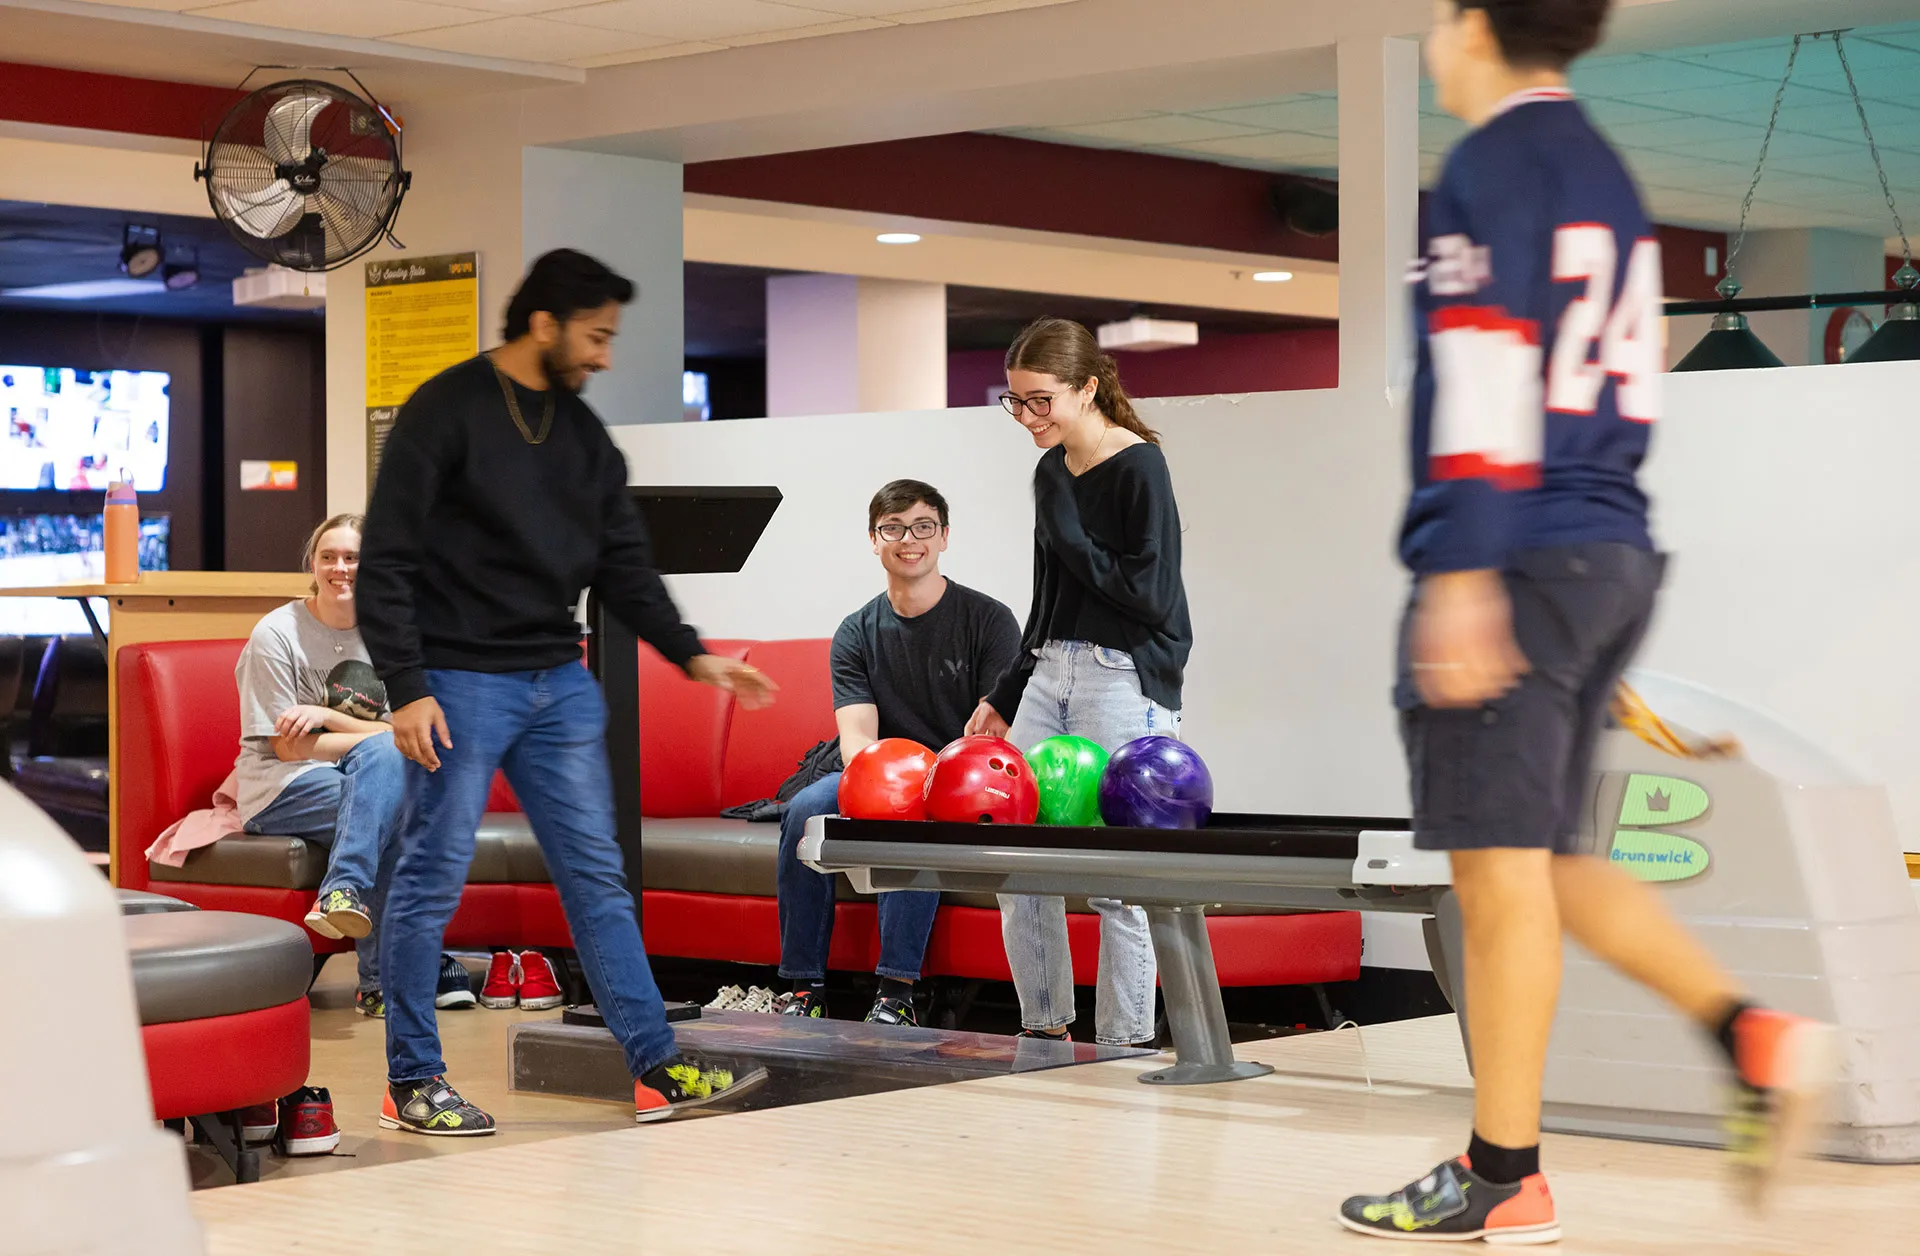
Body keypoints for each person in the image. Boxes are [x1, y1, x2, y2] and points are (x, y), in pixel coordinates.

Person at [1338, 2, 1836, 1242]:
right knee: (1549, 857)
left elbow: (1490, 363)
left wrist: (1467, 571)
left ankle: (1505, 1173)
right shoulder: (1605, 171)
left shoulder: (1494, 163)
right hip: (1604, 543)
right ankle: (1753, 1035)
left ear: (1468, 25)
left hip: (1515, 551)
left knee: (1499, 879)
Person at [358, 248, 778, 1135]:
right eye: (595, 336)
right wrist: (406, 685)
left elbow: (623, 558)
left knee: (598, 878)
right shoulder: (447, 411)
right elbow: (387, 560)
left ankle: (658, 1066)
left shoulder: (583, 438)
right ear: (544, 325)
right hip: (460, 682)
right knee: (432, 877)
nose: (605, 356)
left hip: (557, 682)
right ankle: (413, 1079)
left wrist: (692, 654)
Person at [967, 317, 1192, 1048]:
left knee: (1117, 881)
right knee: (1021, 866)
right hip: (1051, 668)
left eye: (1041, 400)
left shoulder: (1139, 467)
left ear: (1087, 388)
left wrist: (1070, 532)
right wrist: (1005, 692)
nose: (1028, 417)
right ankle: (1045, 1033)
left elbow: (1151, 596)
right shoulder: (1050, 470)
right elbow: (1047, 600)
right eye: (1016, 402)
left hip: (1121, 675)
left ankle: (1123, 1047)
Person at [773, 479, 1021, 1026]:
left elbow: (990, 735)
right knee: (802, 811)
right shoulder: (856, 632)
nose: (909, 539)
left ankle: (896, 993)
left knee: (913, 815)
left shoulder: (989, 621)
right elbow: (857, 740)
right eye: (893, 528)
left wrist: (925, 782)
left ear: (945, 537)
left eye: (923, 527)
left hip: (960, 777)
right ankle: (803, 986)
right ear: (874, 539)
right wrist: (887, 781)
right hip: (880, 771)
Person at [231, 513, 467, 1020]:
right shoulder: (276, 634)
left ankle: (345, 897)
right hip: (278, 786)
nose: (342, 568)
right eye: (329, 557)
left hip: (357, 778)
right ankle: (387, 978)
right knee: (391, 797)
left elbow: (415, 733)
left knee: (386, 779)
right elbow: (286, 749)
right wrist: (372, 742)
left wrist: (328, 716)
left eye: (354, 557)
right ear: (312, 566)